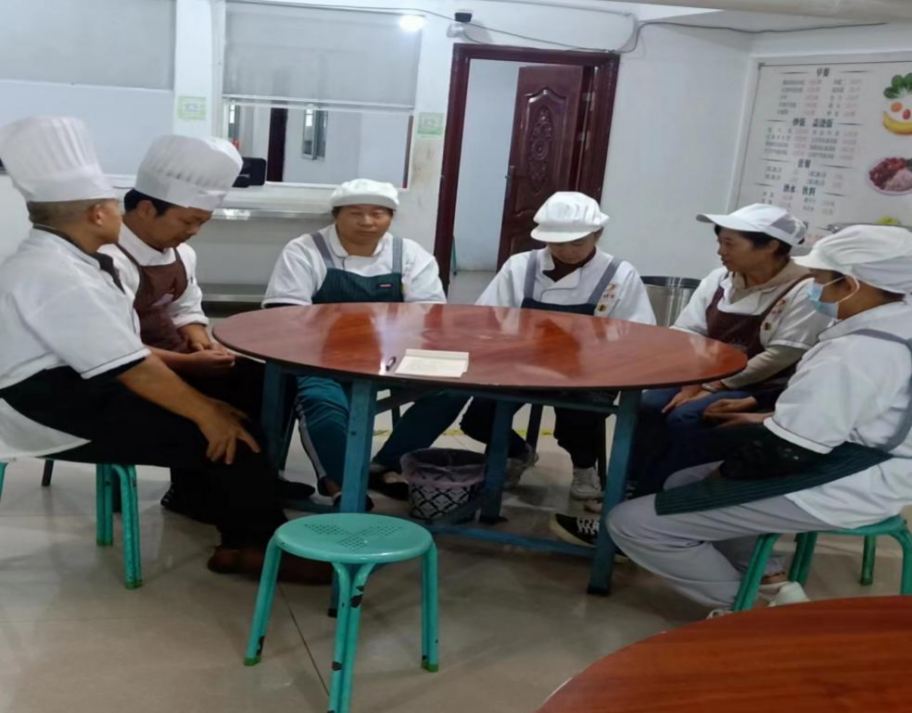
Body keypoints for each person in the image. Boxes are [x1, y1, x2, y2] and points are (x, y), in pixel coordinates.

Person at [0, 116, 328, 583]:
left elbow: (140, 343)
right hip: (45, 403)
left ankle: (237, 523)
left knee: (237, 408)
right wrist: (206, 412)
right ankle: (253, 547)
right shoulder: (59, 273)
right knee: (229, 432)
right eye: (112, 205)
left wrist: (201, 383)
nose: (120, 212)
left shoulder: (67, 259)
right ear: (98, 214)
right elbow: (131, 365)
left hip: (77, 382)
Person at [557, 225, 912, 615]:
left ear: (851, 285)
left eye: (821, 279)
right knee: (680, 479)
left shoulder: (855, 352)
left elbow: (785, 452)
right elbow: (861, 413)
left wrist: (722, 477)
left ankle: (745, 609)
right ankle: (771, 580)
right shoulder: (896, 328)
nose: (816, 288)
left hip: (843, 482)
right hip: (875, 464)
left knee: (631, 523)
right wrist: (762, 417)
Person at [371, 191, 656, 500]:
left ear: (597, 235)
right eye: (557, 243)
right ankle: (518, 452)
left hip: (588, 371)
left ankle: (585, 467)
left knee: (580, 417)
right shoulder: (521, 267)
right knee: (479, 418)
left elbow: (637, 334)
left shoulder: (619, 275)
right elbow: (485, 319)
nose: (566, 251)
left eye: (577, 243)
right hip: (520, 366)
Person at [100, 135, 311, 519]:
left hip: (173, 354)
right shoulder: (108, 258)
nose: (195, 231)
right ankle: (199, 492)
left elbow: (186, 307)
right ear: (146, 209)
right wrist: (189, 364)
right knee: (228, 403)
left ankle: (255, 479)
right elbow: (113, 346)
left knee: (272, 384)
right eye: (188, 221)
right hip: (126, 370)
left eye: (202, 222)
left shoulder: (182, 253)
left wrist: (200, 341)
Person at [626, 203, 830, 498]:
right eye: (720, 242)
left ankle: (664, 493)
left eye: (730, 244)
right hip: (701, 376)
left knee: (687, 416)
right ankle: (630, 481)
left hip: (761, 388)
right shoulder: (718, 279)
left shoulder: (804, 289)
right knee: (647, 405)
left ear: (771, 246)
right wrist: (690, 382)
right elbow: (687, 332)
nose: (721, 251)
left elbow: (780, 355)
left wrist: (712, 387)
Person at [263, 178, 446, 504]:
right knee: (321, 399)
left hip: (391, 356)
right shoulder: (305, 250)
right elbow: (287, 314)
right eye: (355, 213)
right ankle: (344, 484)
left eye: (378, 213)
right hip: (319, 355)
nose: (367, 221)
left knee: (449, 390)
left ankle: (387, 463)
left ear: (390, 217)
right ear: (336, 215)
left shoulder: (408, 254)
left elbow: (428, 314)